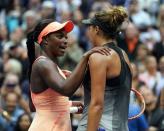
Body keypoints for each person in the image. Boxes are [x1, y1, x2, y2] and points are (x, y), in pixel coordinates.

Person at [26, 19, 110, 131]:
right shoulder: (43, 64)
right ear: (46, 39)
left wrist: (68, 104)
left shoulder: (47, 65)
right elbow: (66, 89)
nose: (65, 40)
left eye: (66, 37)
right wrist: (85, 58)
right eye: (60, 36)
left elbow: (35, 106)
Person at [77, 6, 133, 131]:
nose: (88, 31)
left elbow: (97, 105)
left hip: (99, 127)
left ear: (96, 29)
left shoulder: (99, 57)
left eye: (89, 27)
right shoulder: (124, 55)